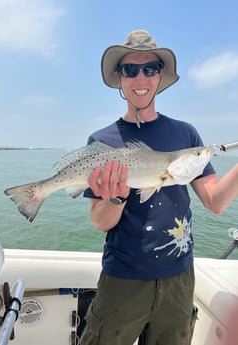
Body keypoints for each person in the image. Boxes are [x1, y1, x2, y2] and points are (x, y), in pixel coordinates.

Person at [80, 29, 238, 345]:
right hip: (122, 278)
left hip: (179, 279)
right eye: (130, 69)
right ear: (119, 77)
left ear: (160, 75)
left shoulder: (185, 135)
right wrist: (114, 197)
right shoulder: (101, 143)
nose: (141, 77)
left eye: (150, 68)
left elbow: (215, 202)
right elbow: (100, 222)